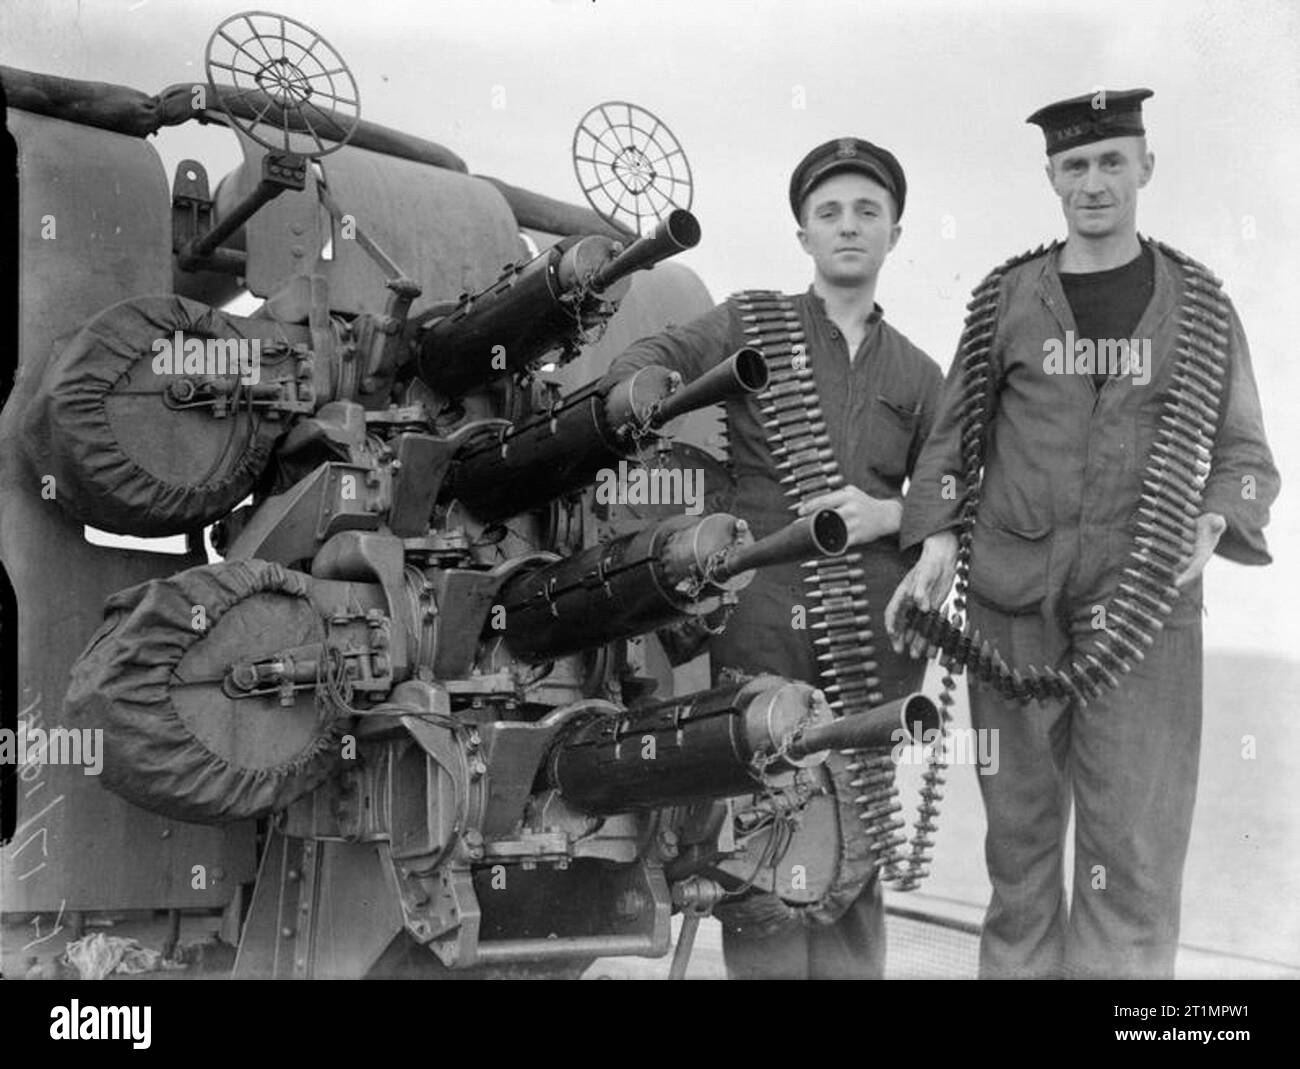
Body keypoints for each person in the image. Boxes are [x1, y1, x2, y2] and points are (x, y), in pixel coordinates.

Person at [885, 88, 1279, 979]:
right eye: (1076, 166)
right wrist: (938, 541)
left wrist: (1218, 516)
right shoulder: (1004, 300)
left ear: (1146, 166)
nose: (1094, 181)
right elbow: (949, 444)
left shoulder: (1205, 309)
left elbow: (1247, 453)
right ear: (1051, 178)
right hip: (1010, 609)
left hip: (1146, 614)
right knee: (1018, 863)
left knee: (1134, 862)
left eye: (1111, 160)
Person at [607, 138, 943, 979]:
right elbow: (648, 363)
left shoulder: (922, 372)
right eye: (829, 213)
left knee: (855, 866)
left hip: (873, 645)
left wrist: (894, 511)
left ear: (895, 233)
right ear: (804, 236)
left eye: (868, 211)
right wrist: (653, 421)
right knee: (763, 864)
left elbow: (959, 498)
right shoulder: (751, 320)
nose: (849, 227)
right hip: (759, 631)